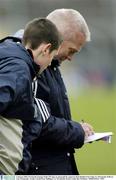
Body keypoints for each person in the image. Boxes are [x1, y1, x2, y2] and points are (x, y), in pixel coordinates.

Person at [26, 9, 94, 175]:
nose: (70, 57)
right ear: (57, 39)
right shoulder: (33, 65)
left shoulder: (51, 65)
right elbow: (38, 123)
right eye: (71, 50)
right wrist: (77, 130)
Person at [0, 17, 61, 175]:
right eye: (52, 57)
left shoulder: (15, 62)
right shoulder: (18, 69)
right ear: (46, 49)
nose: (49, 64)